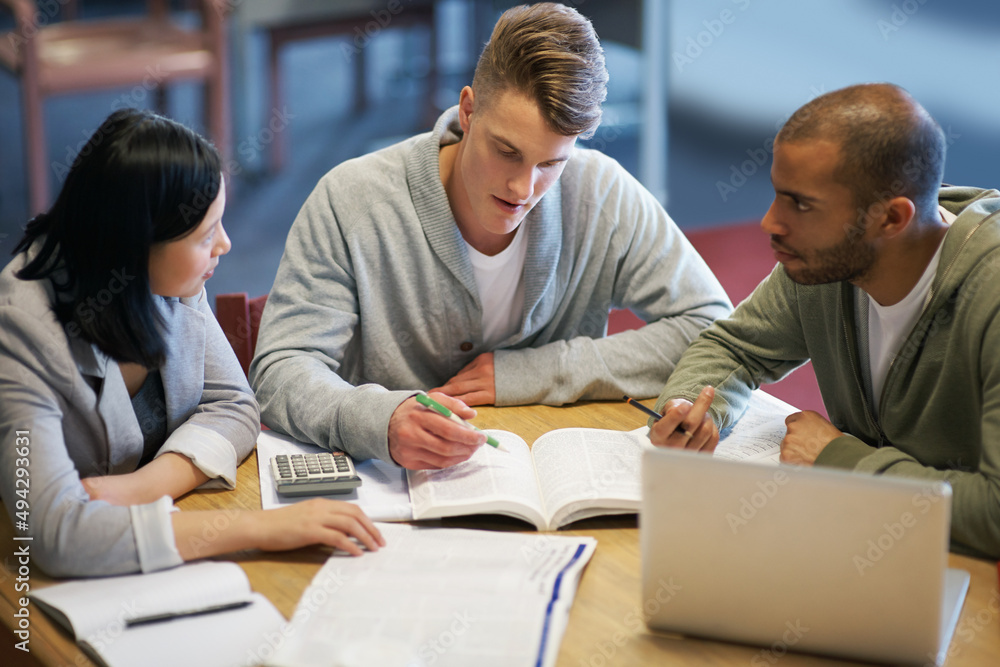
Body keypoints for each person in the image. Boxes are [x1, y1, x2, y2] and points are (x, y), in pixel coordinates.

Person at [250, 2, 731, 470]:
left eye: (550, 164)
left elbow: (711, 329)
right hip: (392, 499)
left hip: (554, 481)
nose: (523, 189)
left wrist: (537, 372)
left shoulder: (601, 191)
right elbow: (281, 369)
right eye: (506, 151)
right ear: (468, 110)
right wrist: (380, 419)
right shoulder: (351, 199)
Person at [0, 109, 384, 578]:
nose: (224, 244)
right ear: (135, 244)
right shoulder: (19, 331)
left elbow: (237, 405)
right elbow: (53, 536)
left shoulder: (167, 280)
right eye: (206, 235)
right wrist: (257, 529)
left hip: (151, 535)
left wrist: (142, 488)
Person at [649, 83, 1000, 560]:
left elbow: (994, 514)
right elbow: (735, 349)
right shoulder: (823, 266)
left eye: (801, 204)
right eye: (777, 195)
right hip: (865, 548)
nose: (769, 222)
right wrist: (694, 408)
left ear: (892, 219)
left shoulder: (991, 297)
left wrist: (840, 461)